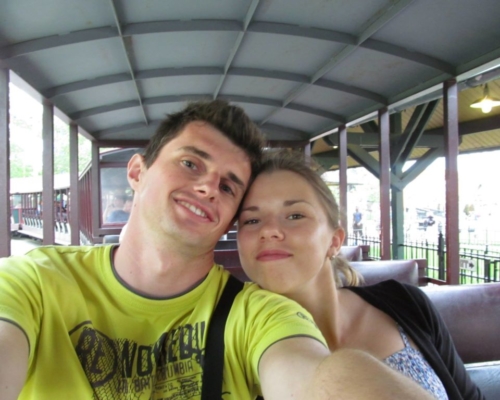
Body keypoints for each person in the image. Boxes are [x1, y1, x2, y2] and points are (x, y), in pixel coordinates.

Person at [0, 100, 433, 400]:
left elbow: (313, 374)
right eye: (190, 163)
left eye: (228, 186)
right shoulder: (34, 281)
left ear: (227, 219)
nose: (209, 186)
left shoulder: (258, 314)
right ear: (137, 171)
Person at [237, 151, 484, 400]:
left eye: (295, 215)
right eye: (252, 220)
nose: (269, 230)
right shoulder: (229, 348)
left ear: (335, 241)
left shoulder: (406, 303)